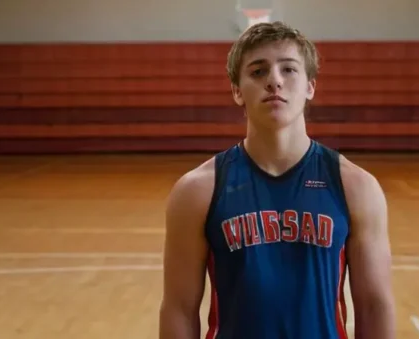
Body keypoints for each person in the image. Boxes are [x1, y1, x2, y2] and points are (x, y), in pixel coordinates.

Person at [159, 21, 395, 339]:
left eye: (289, 69)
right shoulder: (198, 190)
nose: (274, 81)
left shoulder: (356, 187)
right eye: (258, 72)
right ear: (237, 91)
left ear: (310, 86)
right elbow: (179, 308)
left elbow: (374, 306)